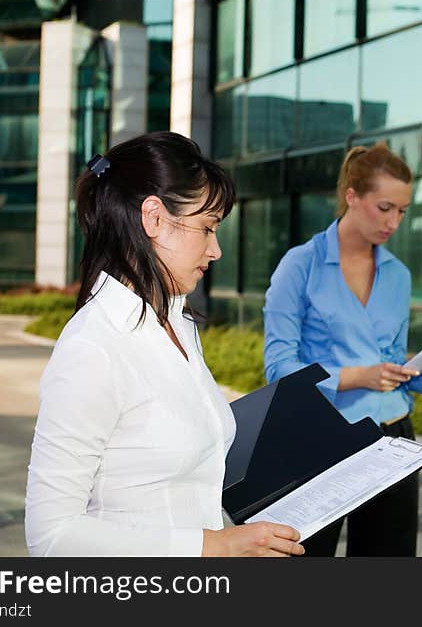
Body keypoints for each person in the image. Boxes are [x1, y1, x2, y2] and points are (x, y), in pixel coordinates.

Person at [25, 132, 304, 557]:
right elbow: (52, 536)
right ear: (153, 218)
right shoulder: (92, 348)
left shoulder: (179, 324)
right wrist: (217, 548)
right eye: (206, 228)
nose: (216, 250)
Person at [263, 143, 422, 556]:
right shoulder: (299, 266)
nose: (394, 221)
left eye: (402, 211)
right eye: (385, 207)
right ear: (352, 197)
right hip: (319, 440)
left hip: (393, 437)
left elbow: (391, 363)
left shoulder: (399, 275)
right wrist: (358, 376)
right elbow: (278, 369)